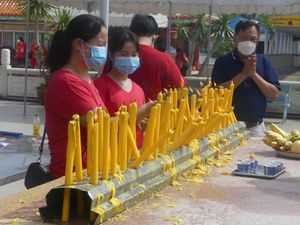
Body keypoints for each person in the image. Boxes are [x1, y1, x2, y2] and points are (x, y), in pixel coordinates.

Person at [45, 14, 108, 178]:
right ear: (80, 44)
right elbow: (102, 126)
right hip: (71, 177)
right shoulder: (67, 83)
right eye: (101, 44)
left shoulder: (87, 78)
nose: (103, 50)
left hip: (90, 173)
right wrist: (143, 112)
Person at [211, 19, 280, 137]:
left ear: (258, 40)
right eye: (244, 38)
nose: (248, 42)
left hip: (255, 127)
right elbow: (216, 93)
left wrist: (254, 74)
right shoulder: (223, 61)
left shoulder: (263, 61)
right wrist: (242, 75)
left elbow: (273, 95)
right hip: (228, 127)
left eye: (253, 39)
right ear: (235, 38)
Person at [94, 27, 149, 148]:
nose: (130, 58)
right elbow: (99, 125)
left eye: (134, 54)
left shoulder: (139, 89)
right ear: (112, 56)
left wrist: (143, 124)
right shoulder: (100, 86)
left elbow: (139, 123)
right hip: (111, 155)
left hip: (136, 152)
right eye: (124, 54)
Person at [129, 14, 185, 101]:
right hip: (155, 112)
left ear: (131, 34)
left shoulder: (116, 56)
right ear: (154, 38)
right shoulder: (165, 60)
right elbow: (179, 90)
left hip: (119, 113)